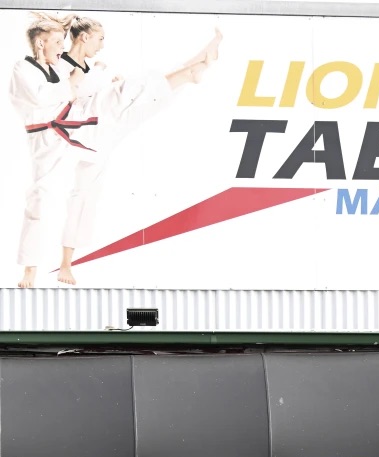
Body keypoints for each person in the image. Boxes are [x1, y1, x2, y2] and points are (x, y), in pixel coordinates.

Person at [53, 16, 222, 285]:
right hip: (84, 127)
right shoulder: (65, 64)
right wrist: (95, 82)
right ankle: (194, 68)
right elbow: (64, 99)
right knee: (136, 88)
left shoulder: (91, 67)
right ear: (84, 37)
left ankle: (195, 67)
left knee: (150, 98)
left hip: (102, 131)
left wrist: (104, 81)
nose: (102, 45)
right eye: (100, 39)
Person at [10, 13, 86, 288]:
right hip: (44, 138)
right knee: (39, 201)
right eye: (57, 42)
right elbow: (41, 96)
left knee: (80, 194)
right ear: (41, 43)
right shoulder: (23, 68)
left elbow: (76, 80)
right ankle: (30, 268)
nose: (61, 48)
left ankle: (67, 263)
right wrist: (71, 85)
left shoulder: (58, 69)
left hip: (72, 133)